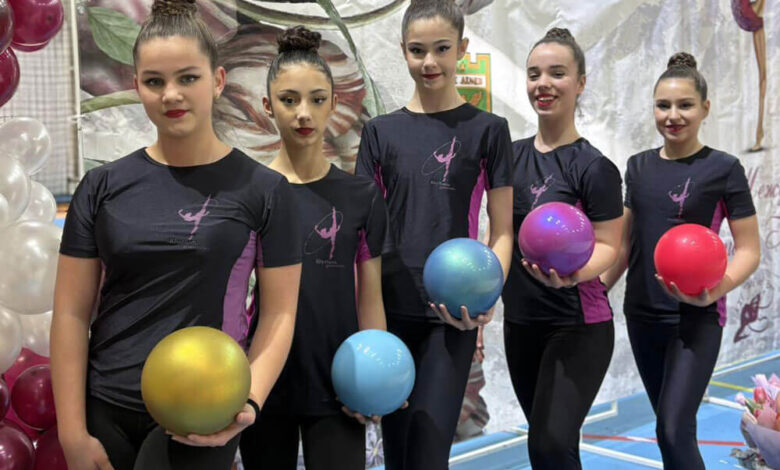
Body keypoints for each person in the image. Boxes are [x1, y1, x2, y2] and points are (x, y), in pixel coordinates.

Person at [51, 1, 302, 469]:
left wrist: (249, 401)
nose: (171, 95)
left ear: (218, 81)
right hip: (106, 406)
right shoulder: (101, 187)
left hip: (204, 415)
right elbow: (70, 313)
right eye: (154, 81)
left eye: (188, 78)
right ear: (136, 86)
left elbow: (280, 313)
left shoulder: (265, 190)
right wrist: (72, 433)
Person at [355, 1, 514, 468]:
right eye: (417, 50)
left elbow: (503, 230)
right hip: (390, 311)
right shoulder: (379, 133)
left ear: (462, 49)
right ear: (403, 50)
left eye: (442, 49)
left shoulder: (489, 130)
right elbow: (365, 239)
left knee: (428, 450)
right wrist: (370, 323)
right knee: (398, 452)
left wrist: (487, 295)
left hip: (454, 313)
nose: (429, 62)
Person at [237, 25, 389, 470]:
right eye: (289, 100)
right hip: (263, 384)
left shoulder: (361, 196)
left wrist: (375, 377)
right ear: (267, 105)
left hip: (340, 384)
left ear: (334, 103)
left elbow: (371, 297)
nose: (303, 113)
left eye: (317, 99)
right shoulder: (249, 193)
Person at [602, 52, 761, 470]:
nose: (673, 116)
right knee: (672, 431)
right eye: (663, 105)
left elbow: (749, 249)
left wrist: (717, 289)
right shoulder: (638, 167)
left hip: (696, 317)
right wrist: (596, 291)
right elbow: (625, 244)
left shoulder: (724, 168)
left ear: (705, 108)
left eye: (685, 105)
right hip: (642, 314)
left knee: (672, 428)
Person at [501, 27, 624, 470]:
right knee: (549, 449)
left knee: (550, 446)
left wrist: (574, 274)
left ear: (580, 82)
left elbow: (609, 244)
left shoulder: (594, 167)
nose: (543, 84)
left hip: (577, 325)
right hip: (520, 323)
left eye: (557, 73)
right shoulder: (509, 158)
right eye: (534, 74)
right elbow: (500, 235)